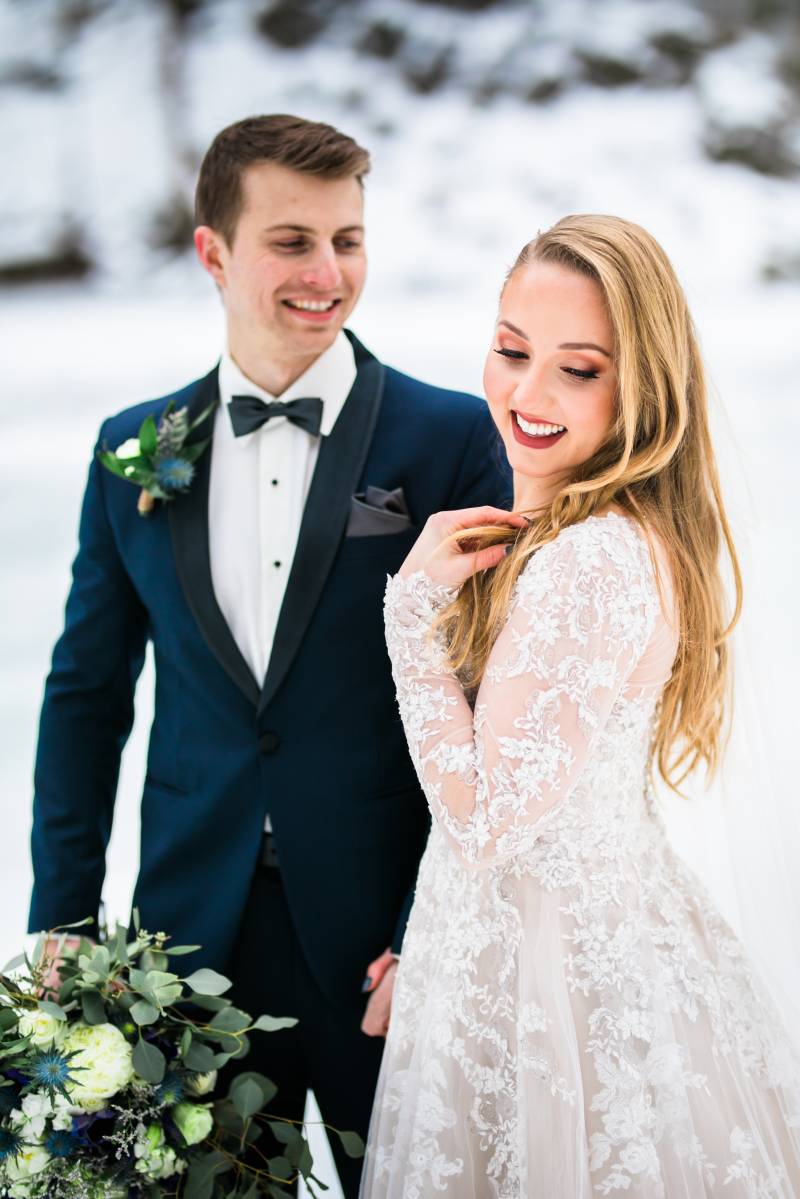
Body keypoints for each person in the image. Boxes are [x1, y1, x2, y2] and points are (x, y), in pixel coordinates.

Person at [27, 114, 509, 1196]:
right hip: (187, 944)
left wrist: (430, 931)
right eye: (292, 240)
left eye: (348, 238)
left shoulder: (449, 439)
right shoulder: (130, 453)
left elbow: (493, 711)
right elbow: (85, 696)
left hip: (385, 944)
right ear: (214, 253)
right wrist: (61, 917)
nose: (327, 272)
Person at [361, 215, 800, 1197]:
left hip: (558, 983)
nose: (525, 394)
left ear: (639, 384)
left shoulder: (591, 557)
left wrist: (408, 614)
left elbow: (482, 821)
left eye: (578, 369)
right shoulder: (587, 528)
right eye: (512, 349)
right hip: (525, 949)